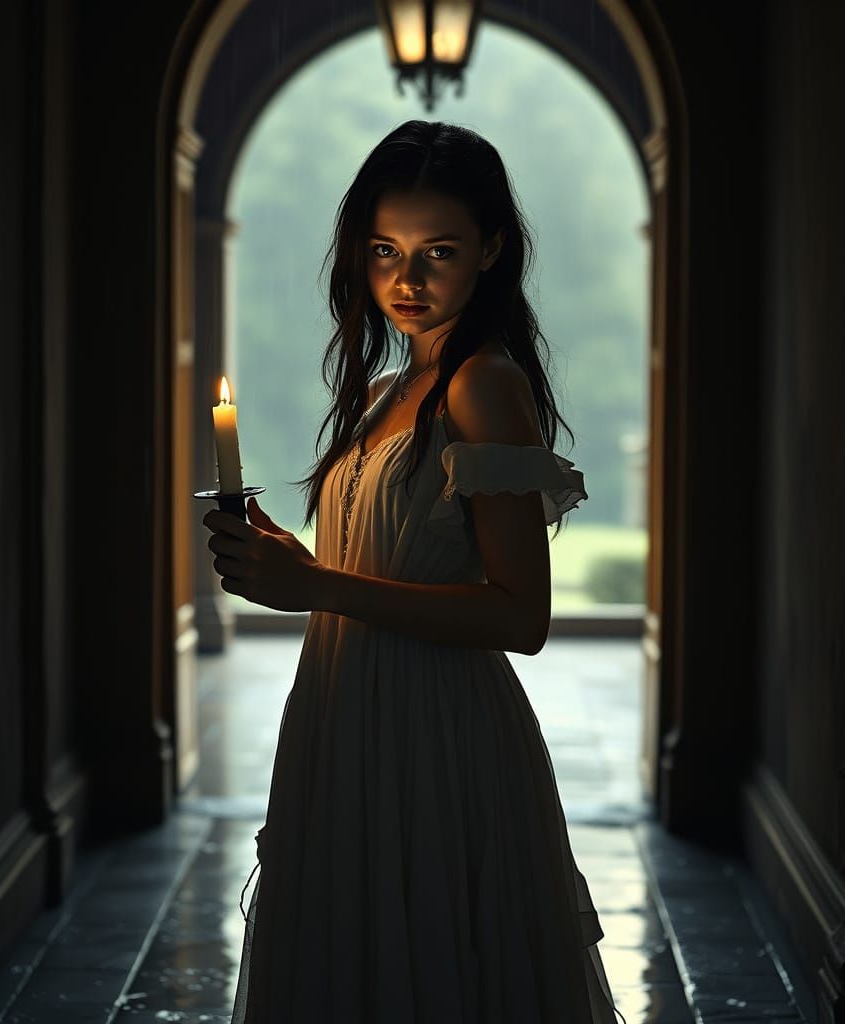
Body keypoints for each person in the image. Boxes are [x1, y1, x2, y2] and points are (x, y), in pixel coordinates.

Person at [203, 120, 626, 1023]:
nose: (407, 280)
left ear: (491, 252)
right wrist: (295, 562)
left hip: (437, 734)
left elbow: (522, 618)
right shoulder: (389, 389)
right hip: (342, 717)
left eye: (439, 251)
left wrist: (317, 587)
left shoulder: (483, 383)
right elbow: (380, 564)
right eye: (385, 251)